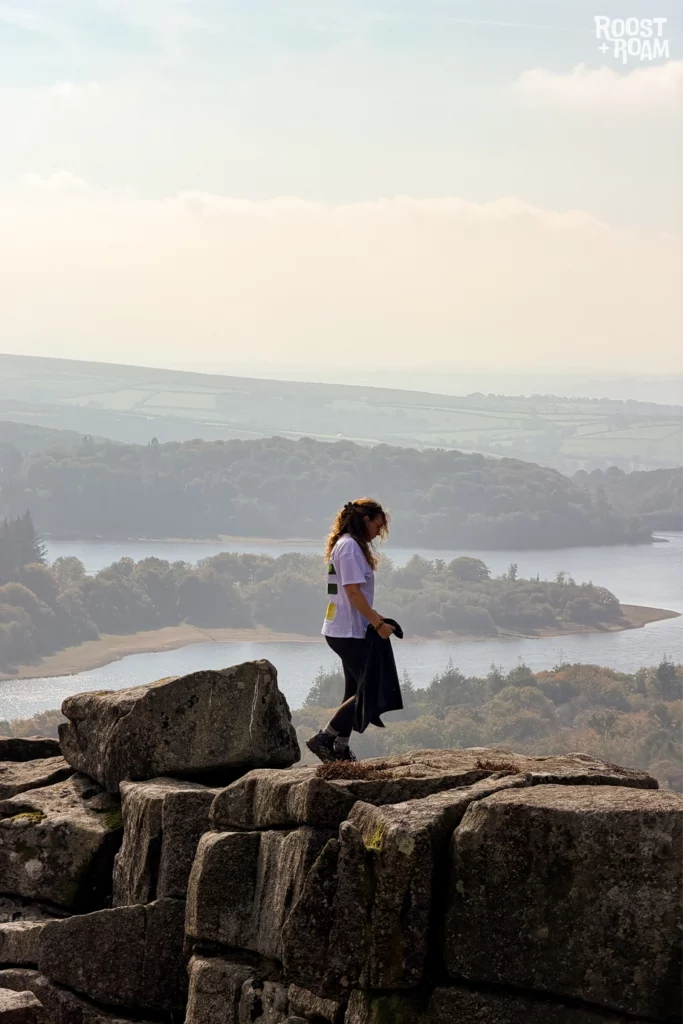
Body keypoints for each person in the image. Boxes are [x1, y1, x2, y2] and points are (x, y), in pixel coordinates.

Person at [306, 498, 394, 763]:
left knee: (354, 689)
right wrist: (378, 625)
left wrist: (377, 617)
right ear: (366, 520)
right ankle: (324, 738)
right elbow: (353, 593)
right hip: (347, 631)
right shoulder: (350, 548)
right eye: (377, 525)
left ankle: (340, 747)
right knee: (370, 691)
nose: (378, 532)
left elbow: (354, 595)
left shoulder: (347, 545)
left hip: (347, 628)